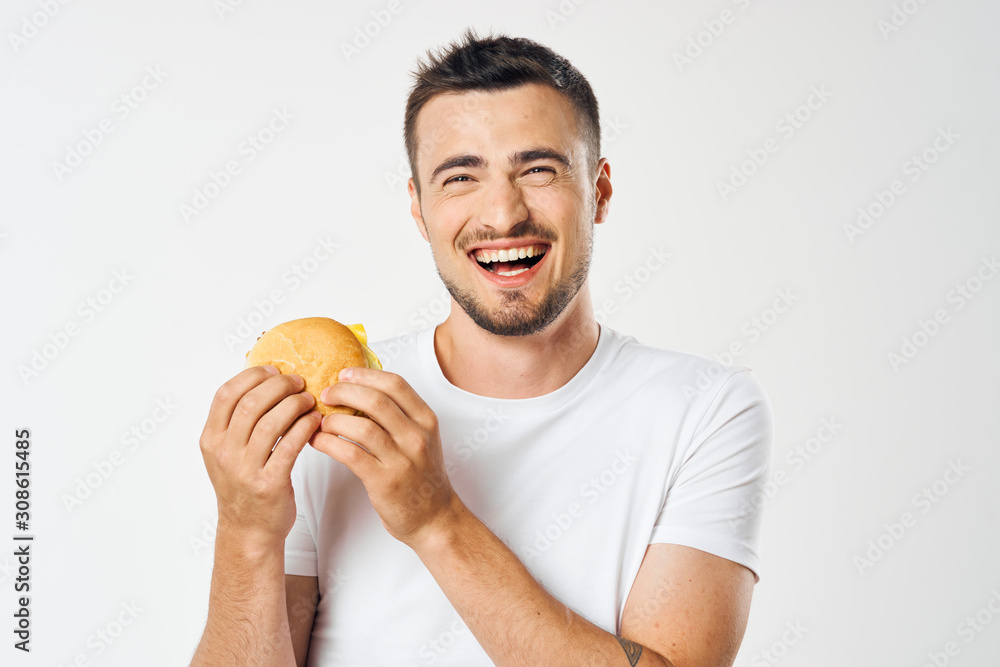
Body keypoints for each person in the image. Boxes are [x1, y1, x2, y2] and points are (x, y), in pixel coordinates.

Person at [192, 28, 773, 667]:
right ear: (419, 209)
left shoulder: (704, 410)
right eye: (460, 177)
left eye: (538, 169)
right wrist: (245, 531)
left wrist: (436, 520)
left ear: (600, 191)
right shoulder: (328, 407)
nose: (501, 213)